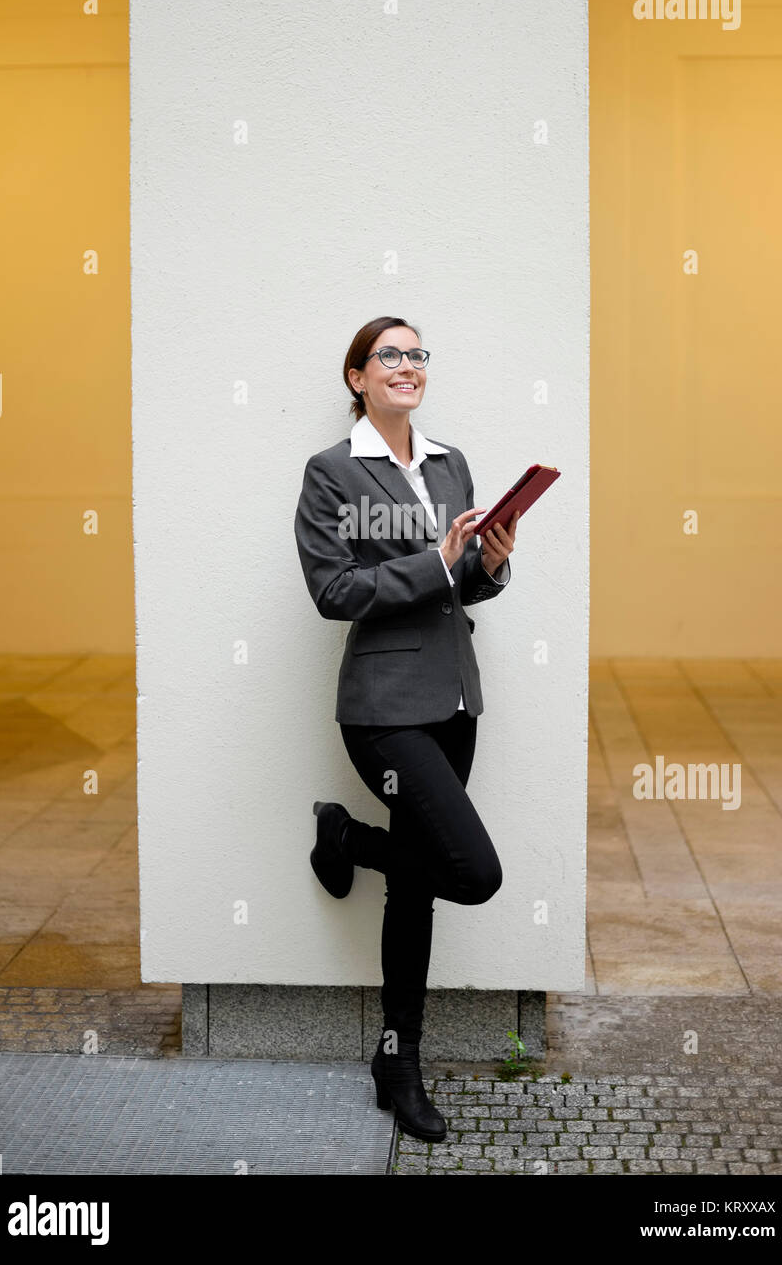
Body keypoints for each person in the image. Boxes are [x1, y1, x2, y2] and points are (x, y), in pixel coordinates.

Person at [293, 315, 519, 1143]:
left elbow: (462, 589)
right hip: (384, 713)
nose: (406, 365)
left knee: (418, 886)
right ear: (357, 377)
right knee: (473, 872)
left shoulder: (449, 463)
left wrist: (486, 562)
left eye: (417, 354)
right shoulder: (330, 474)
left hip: (453, 701)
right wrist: (434, 561)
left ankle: (399, 1060)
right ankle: (346, 836)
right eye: (389, 354)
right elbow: (335, 590)